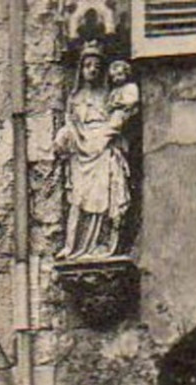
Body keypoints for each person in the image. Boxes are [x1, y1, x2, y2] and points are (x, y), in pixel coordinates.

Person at [55, 44, 137, 260]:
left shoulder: (109, 95)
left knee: (102, 197)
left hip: (102, 146)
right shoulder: (74, 98)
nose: (92, 70)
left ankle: (100, 244)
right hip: (81, 150)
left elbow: (119, 118)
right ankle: (74, 246)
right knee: (78, 199)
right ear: (80, 69)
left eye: (97, 66)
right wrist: (66, 136)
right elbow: (70, 123)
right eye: (87, 65)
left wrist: (103, 138)